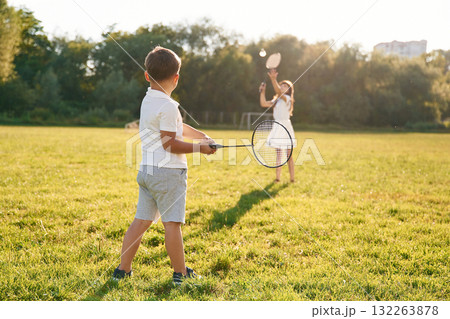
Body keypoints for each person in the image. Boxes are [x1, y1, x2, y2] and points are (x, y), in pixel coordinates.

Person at [113, 46, 216, 285]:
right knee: (172, 224)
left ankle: (123, 269)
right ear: (176, 78)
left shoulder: (149, 99)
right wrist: (200, 148)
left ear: (147, 76)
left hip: (147, 171)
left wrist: (201, 135)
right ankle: (180, 274)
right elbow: (170, 143)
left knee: (141, 221)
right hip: (168, 174)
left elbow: (174, 128)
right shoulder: (168, 106)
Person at [259, 69, 296, 182]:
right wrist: (262, 91)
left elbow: (279, 92)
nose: (283, 87)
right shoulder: (277, 101)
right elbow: (263, 103)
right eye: (282, 85)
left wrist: (273, 79)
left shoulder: (288, 99)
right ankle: (278, 178)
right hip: (277, 127)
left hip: (286, 127)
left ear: (289, 90)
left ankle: (292, 179)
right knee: (279, 155)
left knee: (289, 155)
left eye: (285, 86)